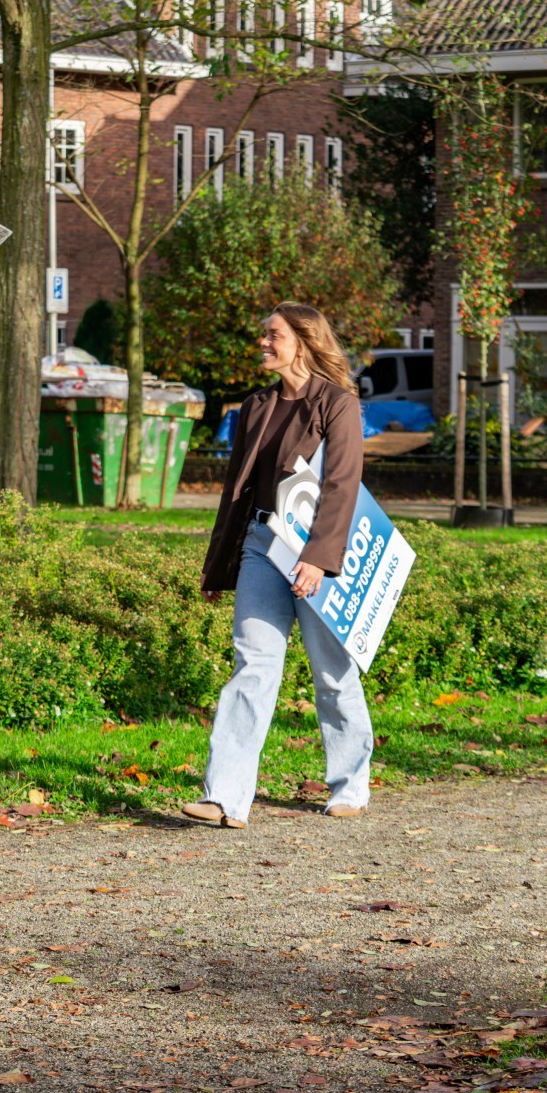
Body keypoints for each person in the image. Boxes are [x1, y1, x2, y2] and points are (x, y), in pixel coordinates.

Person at [187, 303, 374, 828]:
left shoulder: (337, 404)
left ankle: (350, 784)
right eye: (265, 335)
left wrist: (318, 559)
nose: (264, 343)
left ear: (304, 342)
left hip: (316, 550)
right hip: (260, 544)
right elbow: (236, 491)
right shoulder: (256, 406)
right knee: (253, 664)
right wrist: (218, 566)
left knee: (331, 671)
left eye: (274, 335)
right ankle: (225, 798)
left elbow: (342, 485)